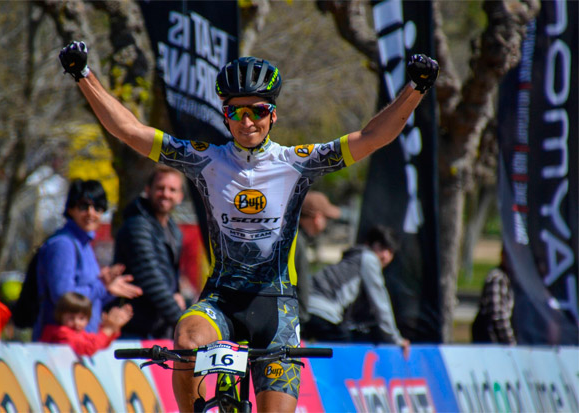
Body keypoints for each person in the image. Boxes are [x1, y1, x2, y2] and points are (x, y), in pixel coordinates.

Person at [58, 41, 438, 412]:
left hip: (277, 309)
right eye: (236, 112)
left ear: (273, 114)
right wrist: (84, 74)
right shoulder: (204, 159)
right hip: (221, 300)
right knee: (187, 339)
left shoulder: (298, 162)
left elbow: (374, 137)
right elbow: (129, 130)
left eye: (257, 110)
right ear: (225, 115)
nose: (247, 121)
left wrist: (415, 88)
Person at [32, 179, 142, 341]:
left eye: (98, 207)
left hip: (80, 342)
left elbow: (88, 300)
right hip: (58, 347)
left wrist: (108, 290)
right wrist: (102, 286)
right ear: (70, 209)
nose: (91, 213)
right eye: (84, 206)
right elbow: (64, 298)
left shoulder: (84, 244)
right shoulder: (63, 244)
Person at [303, 225, 410, 357]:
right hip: (322, 311)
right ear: (368, 244)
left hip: (304, 308)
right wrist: (395, 339)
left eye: (390, 251)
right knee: (345, 355)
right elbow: (381, 304)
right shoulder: (369, 258)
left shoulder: (352, 257)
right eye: (381, 248)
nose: (385, 256)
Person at [113, 165, 186, 338]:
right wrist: (183, 323)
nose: (166, 194)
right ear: (148, 190)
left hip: (160, 329)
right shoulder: (137, 226)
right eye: (160, 188)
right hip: (134, 330)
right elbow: (151, 279)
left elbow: (171, 279)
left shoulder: (173, 230)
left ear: (180, 196)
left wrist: (178, 295)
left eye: (172, 190)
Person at [295, 191, 341, 325]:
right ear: (317, 217)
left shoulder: (292, 236)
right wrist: (302, 319)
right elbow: (301, 284)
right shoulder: (298, 242)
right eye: (327, 218)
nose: (327, 223)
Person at [40, 292, 133, 356]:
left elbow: (100, 344)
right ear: (60, 316)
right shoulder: (61, 333)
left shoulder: (80, 333)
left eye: (81, 318)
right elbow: (88, 348)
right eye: (71, 318)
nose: (76, 322)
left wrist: (114, 327)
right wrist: (108, 329)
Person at [471, 248, 516, 344]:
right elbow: (498, 316)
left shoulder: (515, 280)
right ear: (503, 256)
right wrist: (512, 344)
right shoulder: (498, 278)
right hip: (494, 345)